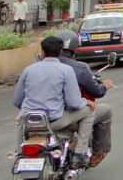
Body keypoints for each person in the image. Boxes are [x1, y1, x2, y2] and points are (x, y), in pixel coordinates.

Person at [13, 37, 95, 168]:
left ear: (42, 52)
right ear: (60, 51)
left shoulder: (28, 70)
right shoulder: (66, 70)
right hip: (53, 122)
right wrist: (86, 102)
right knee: (89, 111)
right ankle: (79, 154)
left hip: (28, 122)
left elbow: (17, 101)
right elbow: (73, 102)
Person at [55, 30, 114, 168]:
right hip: (63, 118)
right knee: (101, 110)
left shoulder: (34, 68)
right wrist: (104, 86)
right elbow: (95, 92)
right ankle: (90, 154)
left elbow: (18, 100)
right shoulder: (78, 68)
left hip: (38, 118)